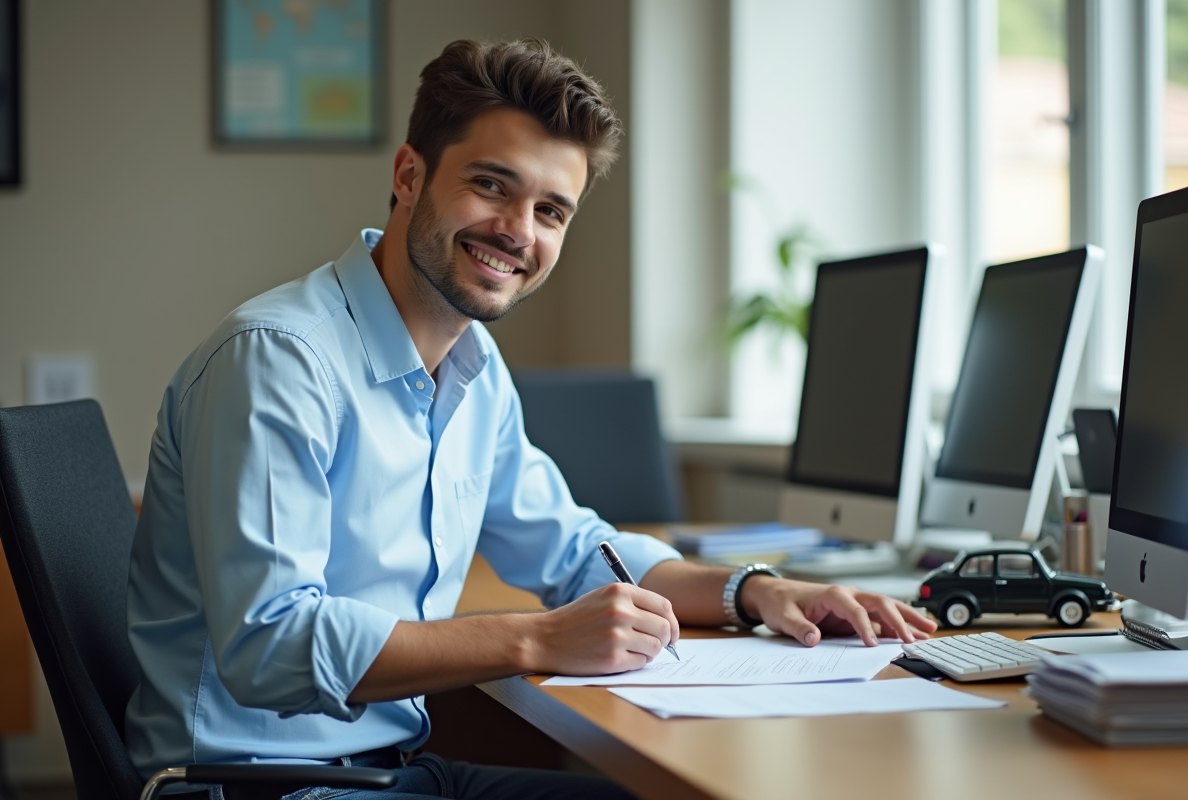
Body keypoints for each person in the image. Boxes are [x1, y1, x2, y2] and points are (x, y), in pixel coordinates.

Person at [126, 37, 937, 800]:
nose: (519, 231)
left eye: (552, 211)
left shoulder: (473, 367)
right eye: (492, 185)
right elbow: (269, 644)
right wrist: (538, 639)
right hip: (261, 784)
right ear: (409, 175)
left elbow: (577, 551)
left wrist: (755, 592)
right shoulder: (279, 358)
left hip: (388, 769)